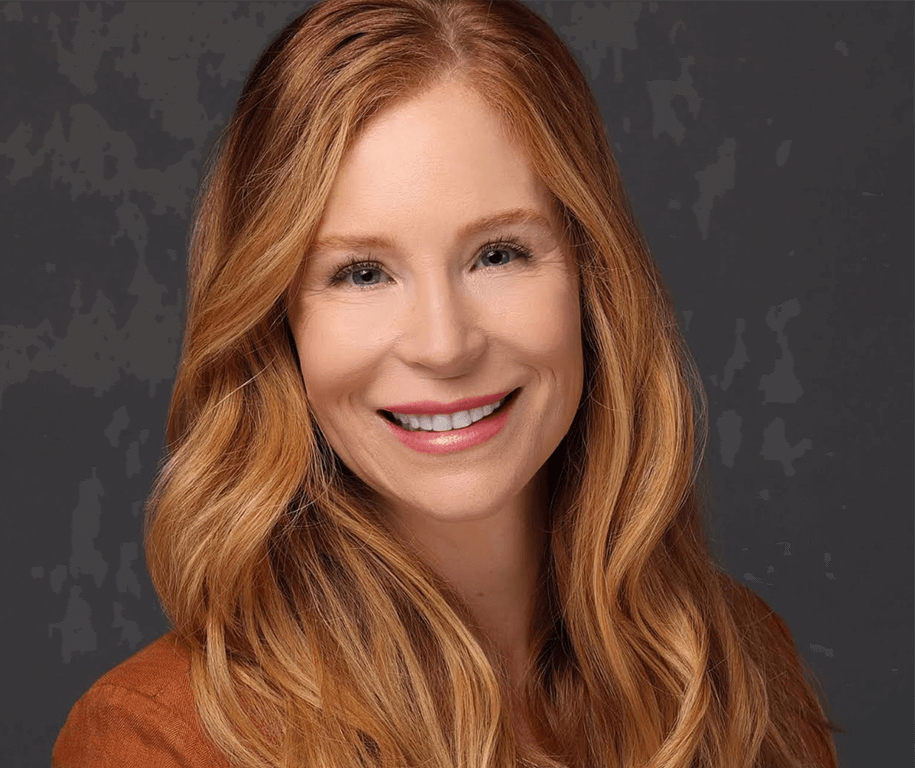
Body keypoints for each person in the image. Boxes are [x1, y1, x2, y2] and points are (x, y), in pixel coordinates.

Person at [53, 1, 839, 766]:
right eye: (361, 273)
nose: (444, 345)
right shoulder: (160, 742)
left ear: (593, 279)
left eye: (498, 254)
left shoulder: (738, 674)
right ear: (277, 322)